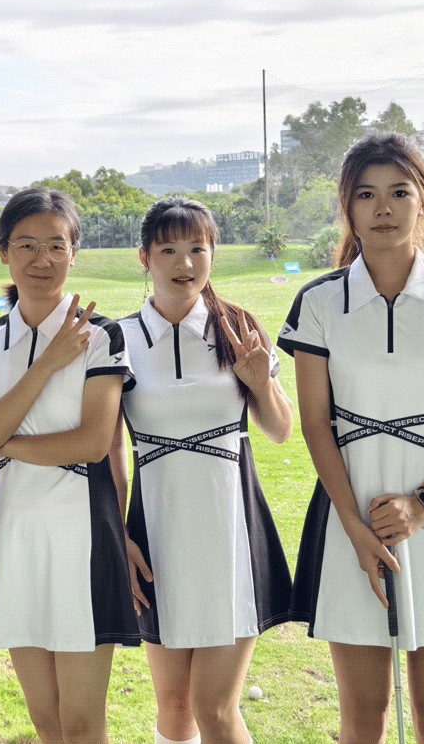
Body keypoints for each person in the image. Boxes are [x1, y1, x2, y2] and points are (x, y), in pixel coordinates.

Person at [277, 134, 424, 744]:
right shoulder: (319, 301)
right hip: (347, 514)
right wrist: (357, 527)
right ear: (348, 207)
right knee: (363, 715)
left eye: (398, 192)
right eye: (366, 194)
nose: (383, 208)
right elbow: (313, 423)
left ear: (423, 201)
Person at [0, 187, 140, 744]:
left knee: (83, 722)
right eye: (27, 245)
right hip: (15, 530)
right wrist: (48, 362)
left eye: (57, 246)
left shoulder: (104, 334)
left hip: (84, 530)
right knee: (45, 721)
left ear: (74, 252)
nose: (43, 260)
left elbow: (91, 443)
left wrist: (6, 441)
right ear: (3, 252)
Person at [116, 197, 294, 744]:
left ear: (213, 253)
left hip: (230, 529)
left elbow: (281, 429)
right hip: (157, 530)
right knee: (173, 707)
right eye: (169, 249)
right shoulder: (115, 338)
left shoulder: (236, 327)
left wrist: (260, 380)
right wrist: (119, 535)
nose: (184, 262)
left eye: (198, 248)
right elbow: (106, 450)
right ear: (144, 257)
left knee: (213, 706)